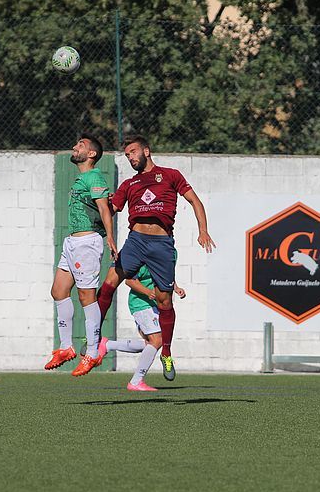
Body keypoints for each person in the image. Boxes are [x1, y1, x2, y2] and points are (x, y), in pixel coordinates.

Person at [76, 135, 215, 378]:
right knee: (108, 285)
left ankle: (166, 353)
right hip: (136, 241)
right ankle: (94, 337)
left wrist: (203, 230)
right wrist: (97, 201)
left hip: (162, 244)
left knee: (164, 301)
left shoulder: (171, 175)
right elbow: (111, 209)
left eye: (133, 152)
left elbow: (195, 201)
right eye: (127, 155)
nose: (130, 157)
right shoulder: (129, 184)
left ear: (146, 151)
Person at [43, 134, 117, 376]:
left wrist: (110, 238)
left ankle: (93, 352)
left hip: (86, 243)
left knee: (87, 297)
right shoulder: (82, 178)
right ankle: (66, 347)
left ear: (91, 154)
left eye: (81, 145)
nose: (75, 147)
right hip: (72, 242)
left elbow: (104, 209)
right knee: (58, 291)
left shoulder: (94, 177)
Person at [98, 263, 186, 391]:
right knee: (158, 340)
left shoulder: (171, 253)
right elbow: (129, 281)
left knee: (151, 344)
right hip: (141, 303)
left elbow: (166, 274)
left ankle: (107, 345)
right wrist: (147, 292)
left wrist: (176, 287)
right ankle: (136, 381)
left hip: (155, 304)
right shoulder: (143, 257)